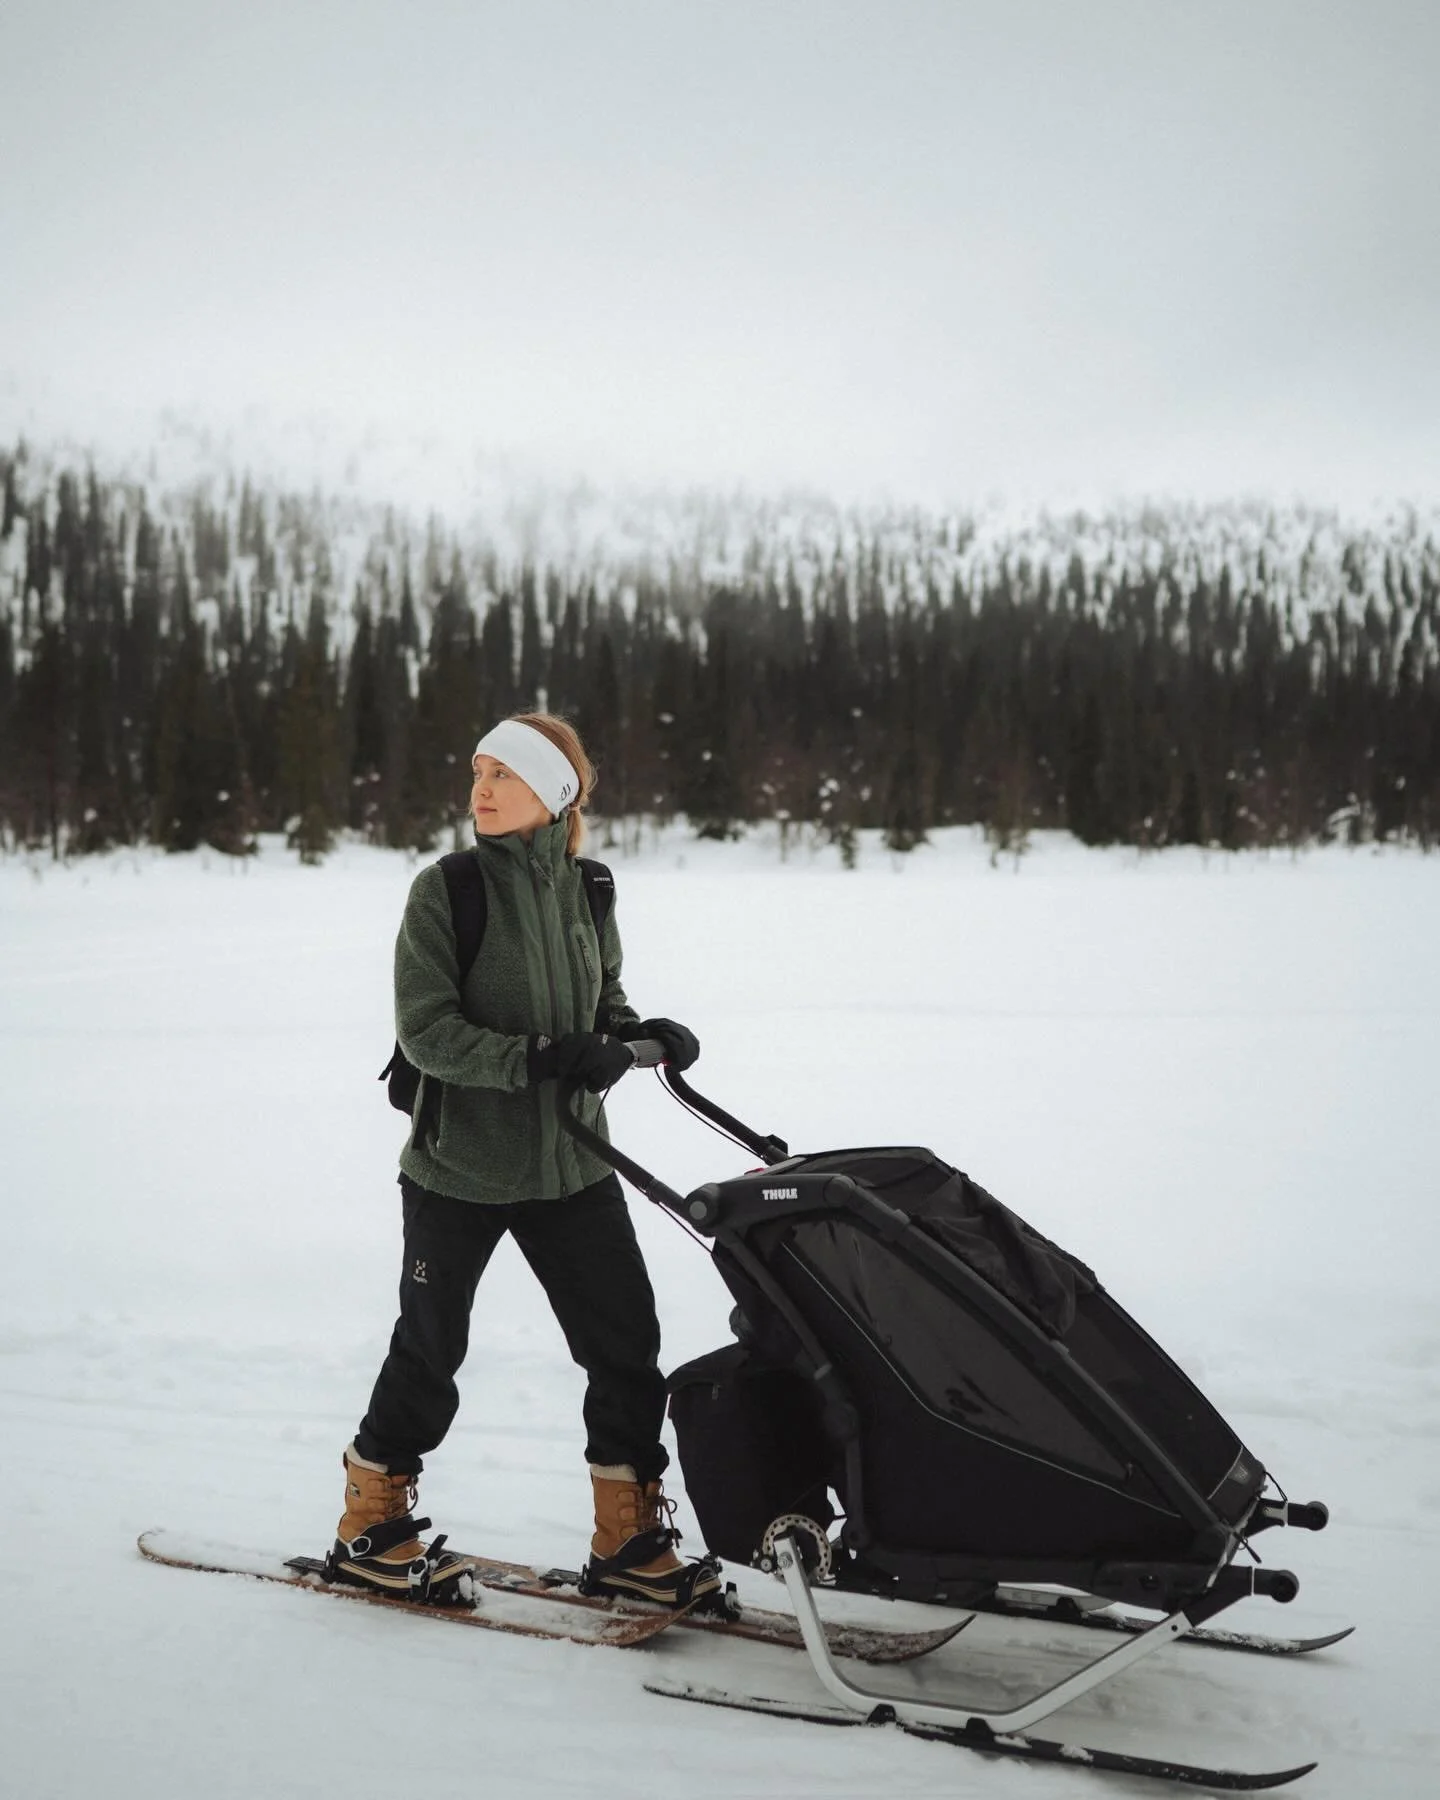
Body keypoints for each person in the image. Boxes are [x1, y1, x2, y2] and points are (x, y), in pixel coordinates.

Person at [330, 711, 720, 1609]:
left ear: (555, 792)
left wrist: (637, 1037)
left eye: (503, 774)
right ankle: (370, 1519)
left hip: (571, 1169)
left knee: (626, 1348)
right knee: (431, 1351)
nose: (481, 790)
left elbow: (603, 995)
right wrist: (536, 1059)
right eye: (477, 772)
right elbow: (426, 1032)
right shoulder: (448, 890)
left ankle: (628, 1538)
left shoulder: (590, 888)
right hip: (458, 1170)